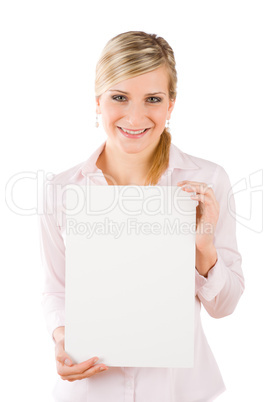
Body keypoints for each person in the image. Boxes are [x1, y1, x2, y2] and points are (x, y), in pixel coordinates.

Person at [39, 30, 245, 402]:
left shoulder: (207, 182)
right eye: (120, 97)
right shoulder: (61, 190)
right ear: (98, 103)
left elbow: (224, 307)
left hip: (177, 391)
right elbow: (56, 288)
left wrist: (203, 247)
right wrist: (61, 339)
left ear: (171, 105)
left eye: (152, 99)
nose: (135, 117)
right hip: (91, 390)